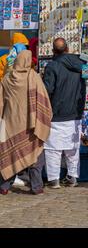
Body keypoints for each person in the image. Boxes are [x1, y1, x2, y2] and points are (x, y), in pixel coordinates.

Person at [0, 50, 52, 195]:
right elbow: (44, 100)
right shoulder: (34, 77)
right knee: (35, 154)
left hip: (11, 123)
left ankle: (4, 186)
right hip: (31, 124)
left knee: (10, 154)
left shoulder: (7, 78)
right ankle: (36, 187)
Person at [43, 38, 86, 188]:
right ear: (67, 49)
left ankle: (54, 179)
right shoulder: (81, 65)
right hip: (75, 112)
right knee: (72, 149)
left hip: (56, 112)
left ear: (53, 51)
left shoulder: (52, 66)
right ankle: (72, 176)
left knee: (53, 149)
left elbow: (47, 90)